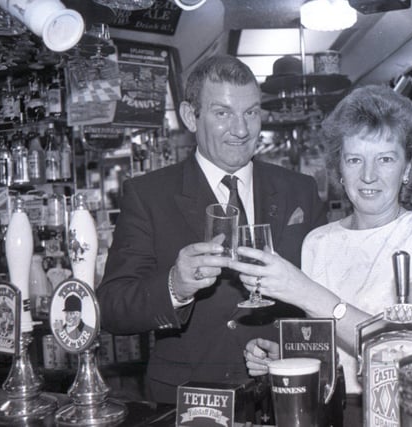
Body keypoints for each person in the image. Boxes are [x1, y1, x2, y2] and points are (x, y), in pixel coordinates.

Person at [230, 85, 412, 424]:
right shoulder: (319, 242)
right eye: (355, 159)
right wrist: (288, 359)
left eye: (386, 159)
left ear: (407, 168)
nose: (369, 175)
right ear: (339, 171)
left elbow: (410, 351)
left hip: (405, 412)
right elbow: (325, 349)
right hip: (332, 412)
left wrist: (306, 292)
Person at [96, 54, 327, 404]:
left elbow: (325, 292)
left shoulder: (300, 189)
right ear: (191, 116)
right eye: (223, 113)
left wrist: (289, 349)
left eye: (251, 112)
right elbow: (111, 307)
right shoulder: (149, 195)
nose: (241, 129)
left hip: (285, 393)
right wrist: (174, 285)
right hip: (188, 399)